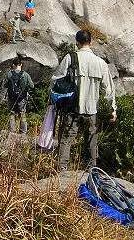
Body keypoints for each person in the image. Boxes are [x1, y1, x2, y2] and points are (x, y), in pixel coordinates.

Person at [52, 30, 116, 171]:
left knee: (66, 139)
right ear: (91, 43)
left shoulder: (70, 58)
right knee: (92, 141)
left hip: (72, 108)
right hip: (92, 110)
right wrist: (113, 109)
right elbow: (109, 89)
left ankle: (62, 170)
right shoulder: (101, 63)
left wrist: (55, 101)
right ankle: (91, 170)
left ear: (77, 42)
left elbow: (55, 80)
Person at [2, 57, 34, 134]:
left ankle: (11, 131)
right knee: (22, 114)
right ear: (21, 64)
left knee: (12, 114)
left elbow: (4, 85)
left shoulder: (9, 74)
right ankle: (23, 132)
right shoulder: (25, 74)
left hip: (11, 97)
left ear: (13, 65)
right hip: (22, 98)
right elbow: (32, 85)